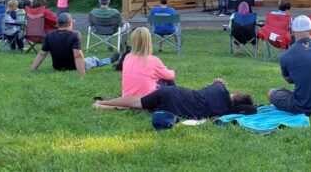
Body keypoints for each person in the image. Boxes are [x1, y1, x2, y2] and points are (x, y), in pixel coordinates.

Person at [268, 15, 311, 115]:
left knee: (272, 93)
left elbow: (289, 80)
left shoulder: (286, 55)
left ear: (293, 32)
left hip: (304, 105)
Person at [94, 78, 256, 119]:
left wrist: (217, 83)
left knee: (138, 101)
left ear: (235, 93)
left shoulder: (219, 88)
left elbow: (207, 90)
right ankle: (103, 106)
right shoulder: (222, 112)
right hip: (175, 111)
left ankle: (103, 102)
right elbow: (251, 110)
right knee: (142, 108)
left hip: (174, 93)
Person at [29, 13, 119, 77]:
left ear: (57, 24)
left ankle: (107, 60)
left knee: (89, 60)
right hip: (73, 66)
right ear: (69, 23)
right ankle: (109, 60)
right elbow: (78, 56)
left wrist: (32, 69)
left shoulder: (49, 35)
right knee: (93, 60)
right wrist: (82, 75)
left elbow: (41, 54)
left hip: (57, 67)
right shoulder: (75, 34)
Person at [121, 27, 176, 97]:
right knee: (168, 80)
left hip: (127, 97)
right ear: (148, 42)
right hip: (146, 99)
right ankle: (174, 98)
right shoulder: (153, 60)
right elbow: (170, 76)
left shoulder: (127, 57)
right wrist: (172, 71)